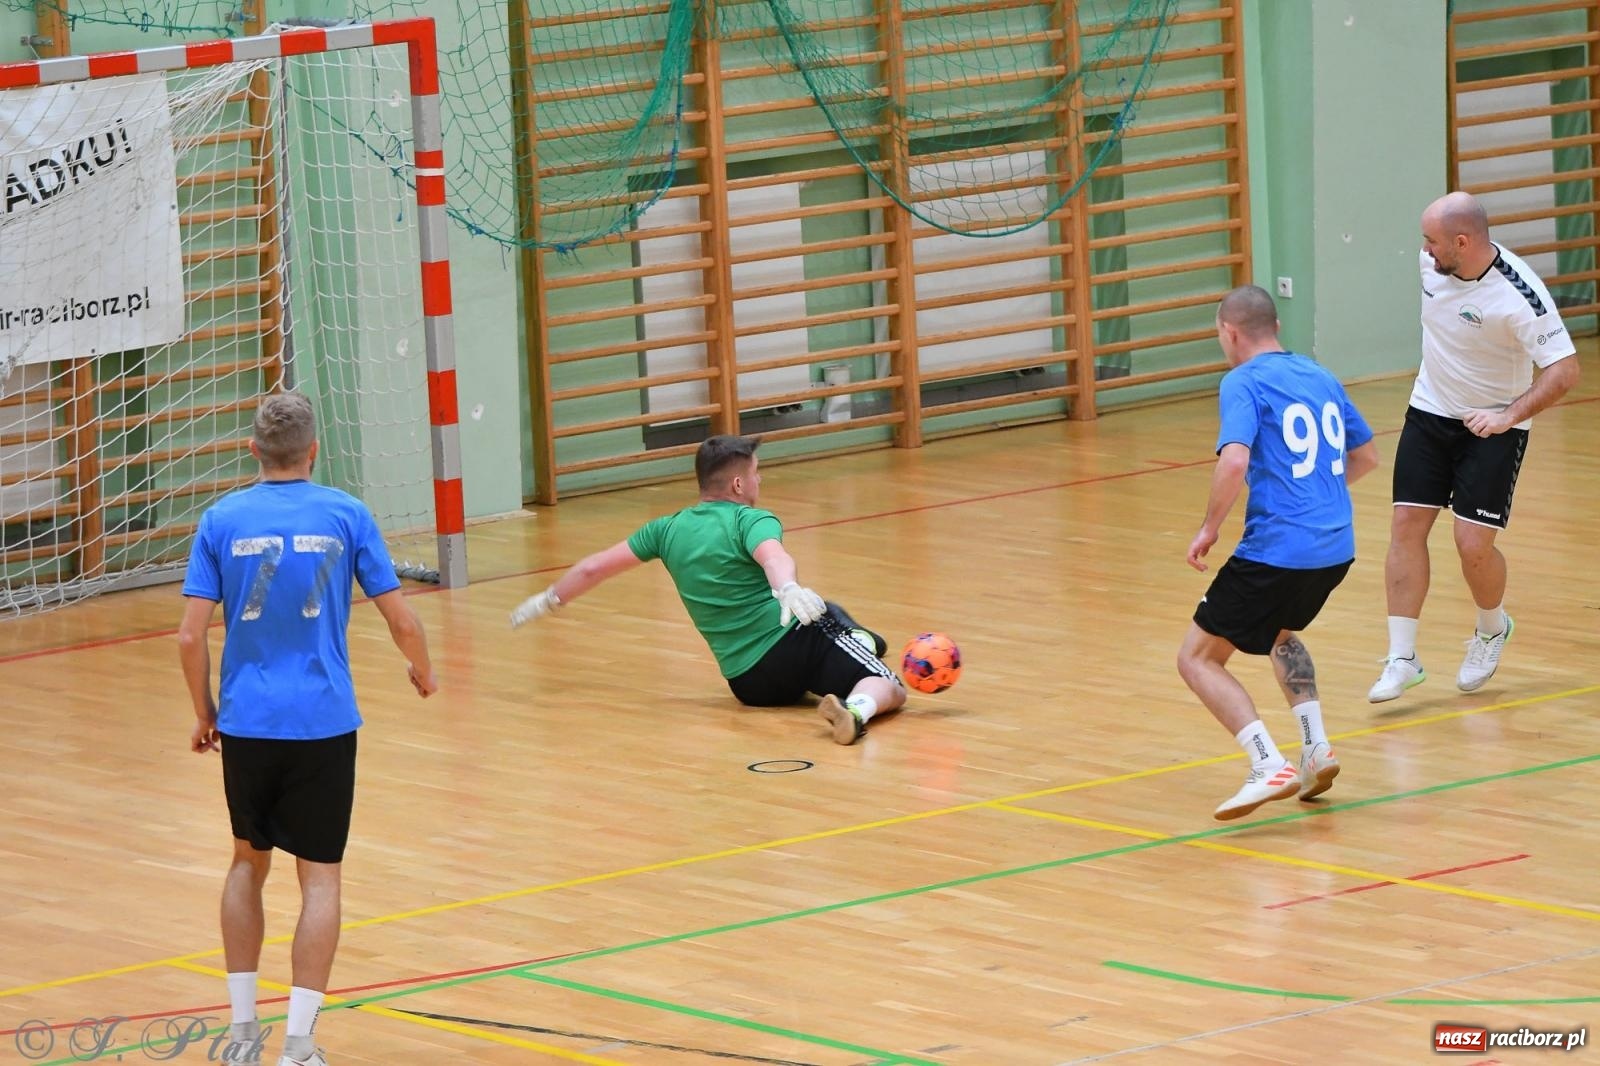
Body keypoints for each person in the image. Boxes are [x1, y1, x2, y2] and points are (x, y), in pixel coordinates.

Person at [178, 392, 437, 1066]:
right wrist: (423, 671)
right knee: (320, 878)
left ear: (255, 450)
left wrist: (206, 712)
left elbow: (187, 635)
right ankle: (298, 1044)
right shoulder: (346, 514)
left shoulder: (221, 518)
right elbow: (402, 620)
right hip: (323, 723)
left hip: (248, 722)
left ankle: (240, 1036)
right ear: (314, 450)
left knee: (246, 861)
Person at [510, 433, 904, 744]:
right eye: (755, 473)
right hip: (791, 644)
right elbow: (773, 557)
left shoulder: (664, 530)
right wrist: (787, 588)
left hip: (749, 682)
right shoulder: (750, 520)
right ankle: (855, 711)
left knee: (841, 624)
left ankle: (859, 644)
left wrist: (547, 600)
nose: (758, 480)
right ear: (737, 483)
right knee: (888, 681)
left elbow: (594, 567)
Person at [1369, 191, 1581, 703]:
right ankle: (1403, 657)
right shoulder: (1431, 266)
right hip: (1429, 412)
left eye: (1432, 240)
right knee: (1406, 525)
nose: (1423, 249)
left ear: (1462, 243)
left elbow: (1566, 370)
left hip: (1494, 427)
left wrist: (1508, 415)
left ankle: (1491, 628)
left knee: (1472, 546)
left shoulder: (1518, 295)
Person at [1178, 286, 1379, 821]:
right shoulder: (1318, 374)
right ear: (1277, 329)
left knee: (1197, 658)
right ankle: (1316, 747)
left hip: (1277, 549)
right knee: (1280, 634)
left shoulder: (1241, 381)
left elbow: (1235, 462)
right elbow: (1365, 455)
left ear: (1230, 332)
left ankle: (1267, 763)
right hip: (1335, 545)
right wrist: (1317, 502)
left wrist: (1208, 528)